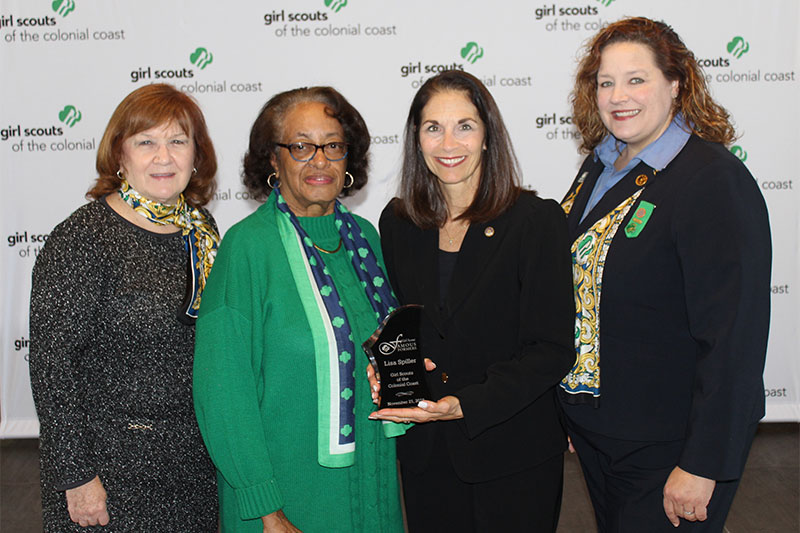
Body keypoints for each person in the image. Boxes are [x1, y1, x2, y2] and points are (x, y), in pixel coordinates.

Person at [559, 17, 771, 532]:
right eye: (605, 82)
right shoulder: (601, 164)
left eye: (636, 79)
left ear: (676, 84)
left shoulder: (712, 181)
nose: (617, 96)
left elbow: (733, 339)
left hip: (674, 445)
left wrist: (703, 463)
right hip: (603, 431)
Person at [192, 86, 406, 533]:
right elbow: (223, 393)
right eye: (301, 146)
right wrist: (265, 507)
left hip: (372, 483)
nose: (320, 160)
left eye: (333, 145)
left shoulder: (365, 238)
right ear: (273, 159)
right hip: (284, 499)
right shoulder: (247, 247)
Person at [369, 70, 575, 531]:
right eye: (433, 127)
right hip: (427, 454)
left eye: (464, 125)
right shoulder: (399, 223)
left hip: (514, 451)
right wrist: (385, 361)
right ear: (416, 139)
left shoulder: (536, 222)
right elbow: (405, 325)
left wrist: (465, 403)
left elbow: (552, 349)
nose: (449, 143)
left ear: (487, 137)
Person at [29, 83, 220, 531]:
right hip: (110, 474)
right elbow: (52, 365)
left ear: (197, 155)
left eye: (178, 141)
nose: (164, 156)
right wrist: (77, 477)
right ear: (120, 155)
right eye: (146, 142)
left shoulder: (203, 230)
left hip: (195, 463)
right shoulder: (82, 239)